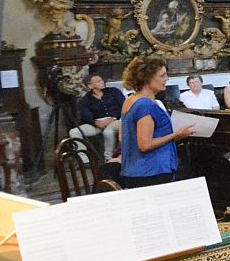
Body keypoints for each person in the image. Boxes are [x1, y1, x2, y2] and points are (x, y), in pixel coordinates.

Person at [119, 57, 192, 188]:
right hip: (151, 172)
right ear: (147, 78)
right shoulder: (145, 105)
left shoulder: (130, 100)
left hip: (135, 170)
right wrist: (176, 135)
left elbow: (122, 136)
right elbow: (145, 145)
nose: (167, 79)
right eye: (162, 76)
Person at [71, 73, 126, 159]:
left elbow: (124, 106)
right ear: (90, 86)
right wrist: (95, 122)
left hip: (115, 120)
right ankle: (85, 159)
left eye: (102, 80)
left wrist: (113, 118)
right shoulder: (85, 99)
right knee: (74, 132)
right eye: (98, 81)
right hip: (97, 123)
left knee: (108, 132)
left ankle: (108, 157)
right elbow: (85, 114)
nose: (102, 82)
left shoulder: (114, 91)